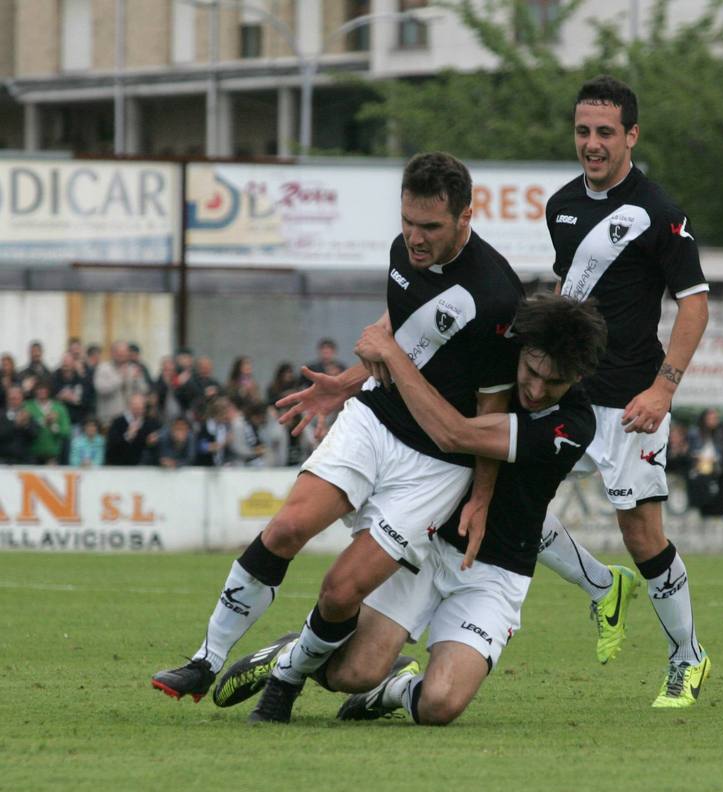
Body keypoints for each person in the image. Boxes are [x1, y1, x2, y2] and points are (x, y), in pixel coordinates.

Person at [150, 152, 523, 705]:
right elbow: (406, 334)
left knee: (342, 589)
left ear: (466, 217)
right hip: (374, 418)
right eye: (407, 222)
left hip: (438, 466)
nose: (415, 238)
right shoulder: (403, 253)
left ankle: (286, 675)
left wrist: (483, 498)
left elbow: (491, 411)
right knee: (284, 530)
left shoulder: (498, 296)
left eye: (430, 227)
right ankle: (205, 659)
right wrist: (344, 384)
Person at [215, 294, 608, 725]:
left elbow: (455, 434)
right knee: (353, 672)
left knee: (440, 705)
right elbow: (422, 332)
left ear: (578, 376)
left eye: (553, 383)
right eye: (531, 372)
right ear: (521, 348)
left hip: (496, 567)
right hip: (427, 540)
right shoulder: (487, 360)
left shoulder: (572, 426)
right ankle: (294, 652)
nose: (535, 389)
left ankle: (396, 688)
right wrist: (349, 381)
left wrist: (390, 353)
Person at [535, 75, 713, 707]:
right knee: (512, 503)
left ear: (631, 135)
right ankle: (599, 587)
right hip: (570, 397)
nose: (592, 143)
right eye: (583, 131)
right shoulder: (559, 206)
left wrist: (664, 390)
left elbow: (694, 306)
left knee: (641, 534)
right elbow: (571, 296)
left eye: (605, 132)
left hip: (634, 402)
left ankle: (687, 657)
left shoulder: (659, 212)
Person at [104, 392, 161, 466]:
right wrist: (127, 436)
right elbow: (111, 447)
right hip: (120, 467)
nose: (138, 409)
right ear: (129, 406)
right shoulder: (118, 422)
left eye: (140, 406)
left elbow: (154, 449)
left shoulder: (151, 423)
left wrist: (152, 443)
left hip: (143, 468)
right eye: (135, 406)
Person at [24, 379, 71, 464]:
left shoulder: (59, 408)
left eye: (44, 389)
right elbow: (24, 429)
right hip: (32, 455)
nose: (42, 392)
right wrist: (42, 422)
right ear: (35, 391)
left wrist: (54, 425)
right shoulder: (28, 406)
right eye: (39, 389)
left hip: (53, 455)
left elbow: (66, 431)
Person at [0, 385, 35, 463]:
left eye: (16, 398)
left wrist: (26, 425)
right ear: (7, 399)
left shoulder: (28, 414)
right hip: (3, 459)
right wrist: (15, 424)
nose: (14, 401)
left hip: (24, 460)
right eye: (11, 398)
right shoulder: (1, 414)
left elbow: (34, 435)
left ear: (22, 399)